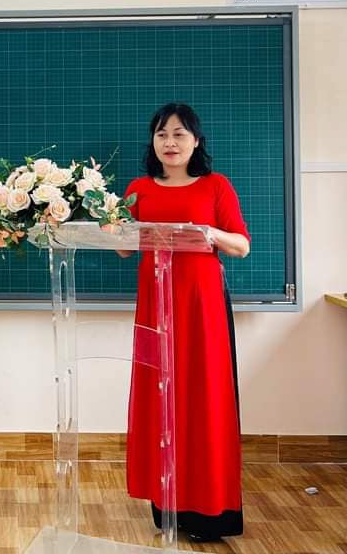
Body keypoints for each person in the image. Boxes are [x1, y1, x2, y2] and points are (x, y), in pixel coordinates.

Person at [120, 103, 250, 543]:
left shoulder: (216, 185)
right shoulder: (138, 189)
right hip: (154, 309)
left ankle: (211, 511)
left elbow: (242, 245)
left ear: (196, 141)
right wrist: (106, 220)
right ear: (152, 142)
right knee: (159, 398)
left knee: (204, 396)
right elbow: (123, 248)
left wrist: (208, 233)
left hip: (202, 310)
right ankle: (167, 504)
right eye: (162, 134)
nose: (170, 143)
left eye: (179, 134)